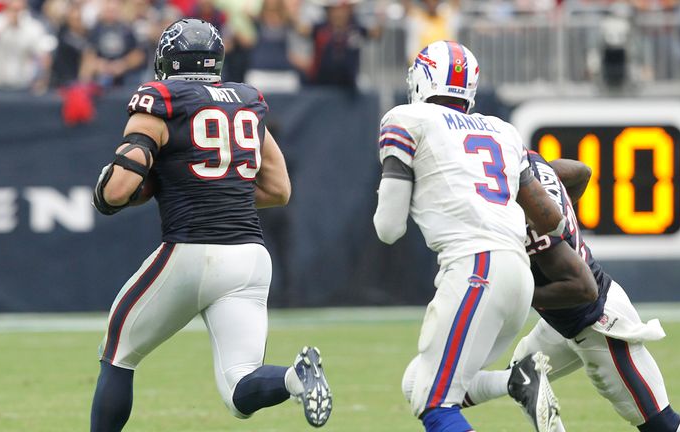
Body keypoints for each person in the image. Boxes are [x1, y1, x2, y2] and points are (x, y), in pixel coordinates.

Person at [89, 18, 332, 431]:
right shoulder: (246, 101)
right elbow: (279, 189)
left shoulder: (160, 99)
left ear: (168, 61)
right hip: (251, 259)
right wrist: (220, 189)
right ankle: (294, 378)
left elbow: (117, 191)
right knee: (240, 388)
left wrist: (109, 189)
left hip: (193, 251)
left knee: (119, 352)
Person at [373, 40, 572, 432]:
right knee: (418, 381)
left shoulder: (407, 118)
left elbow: (389, 229)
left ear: (422, 80)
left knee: (435, 404)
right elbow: (550, 218)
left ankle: (520, 380)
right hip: (518, 278)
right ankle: (518, 381)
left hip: (476, 267)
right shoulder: (503, 131)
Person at [462, 152, 680, 432]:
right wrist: (563, 212)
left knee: (662, 424)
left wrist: (519, 292)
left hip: (598, 322)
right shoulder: (529, 168)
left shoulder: (522, 218)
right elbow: (580, 171)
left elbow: (584, 289)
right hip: (562, 324)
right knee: (523, 377)